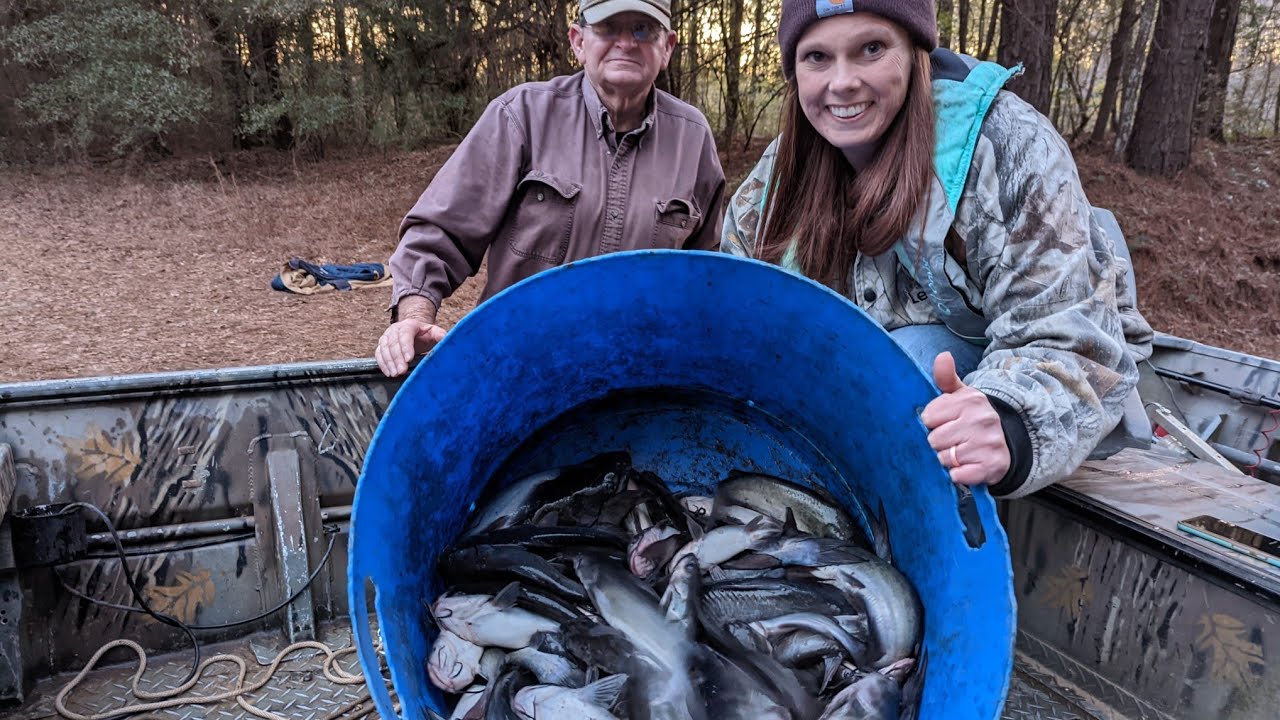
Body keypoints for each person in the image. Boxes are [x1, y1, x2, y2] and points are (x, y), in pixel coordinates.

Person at [722, 0, 1154, 498]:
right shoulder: (779, 176)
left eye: (871, 49)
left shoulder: (1007, 145)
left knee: (912, 360)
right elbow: (738, 315)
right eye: (817, 57)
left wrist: (1008, 420)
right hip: (853, 393)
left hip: (997, 391)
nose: (841, 82)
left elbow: (1072, 340)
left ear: (915, 52)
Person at [376, 0, 726, 377]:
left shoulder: (692, 138)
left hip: (636, 378)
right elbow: (438, 233)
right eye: (608, 28)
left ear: (668, 48)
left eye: (643, 29)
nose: (626, 42)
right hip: (515, 368)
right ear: (577, 42)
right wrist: (413, 315)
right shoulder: (522, 115)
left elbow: (707, 273)